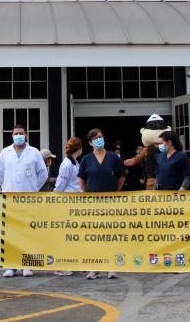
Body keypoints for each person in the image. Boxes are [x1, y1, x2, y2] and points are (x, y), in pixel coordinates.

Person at [0, 124, 48, 278]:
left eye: (21, 133)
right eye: (15, 133)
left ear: (26, 135)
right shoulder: (5, 152)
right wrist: (8, 185)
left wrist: (33, 187)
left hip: (29, 199)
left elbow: (43, 174)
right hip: (10, 198)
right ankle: (11, 266)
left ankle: (27, 264)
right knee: (11, 233)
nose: (18, 135)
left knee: (28, 232)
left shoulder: (34, 153)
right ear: (12, 135)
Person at [78, 128, 127, 280]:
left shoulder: (113, 158)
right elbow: (81, 179)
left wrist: (115, 192)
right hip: (92, 204)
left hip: (110, 203)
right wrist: (87, 195)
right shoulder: (86, 159)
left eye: (100, 137)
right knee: (94, 236)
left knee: (110, 236)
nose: (99, 140)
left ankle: (111, 267)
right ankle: (94, 266)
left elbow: (122, 176)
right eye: (95, 138)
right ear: (90, 142)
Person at [53, 137, 83, 276]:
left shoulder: (75, 163)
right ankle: (60, 265)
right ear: (79, 149)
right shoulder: (67, 164)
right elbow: (60, 186)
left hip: (75, 204)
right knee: (64, 236)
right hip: (66, 204)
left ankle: (71, 262)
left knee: (72, 236)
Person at [124, 114, 168, 189]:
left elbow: (133, 161)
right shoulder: (170, 146)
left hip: (155, 182)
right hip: (168, 181)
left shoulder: (147, 149)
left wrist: (118, 162)